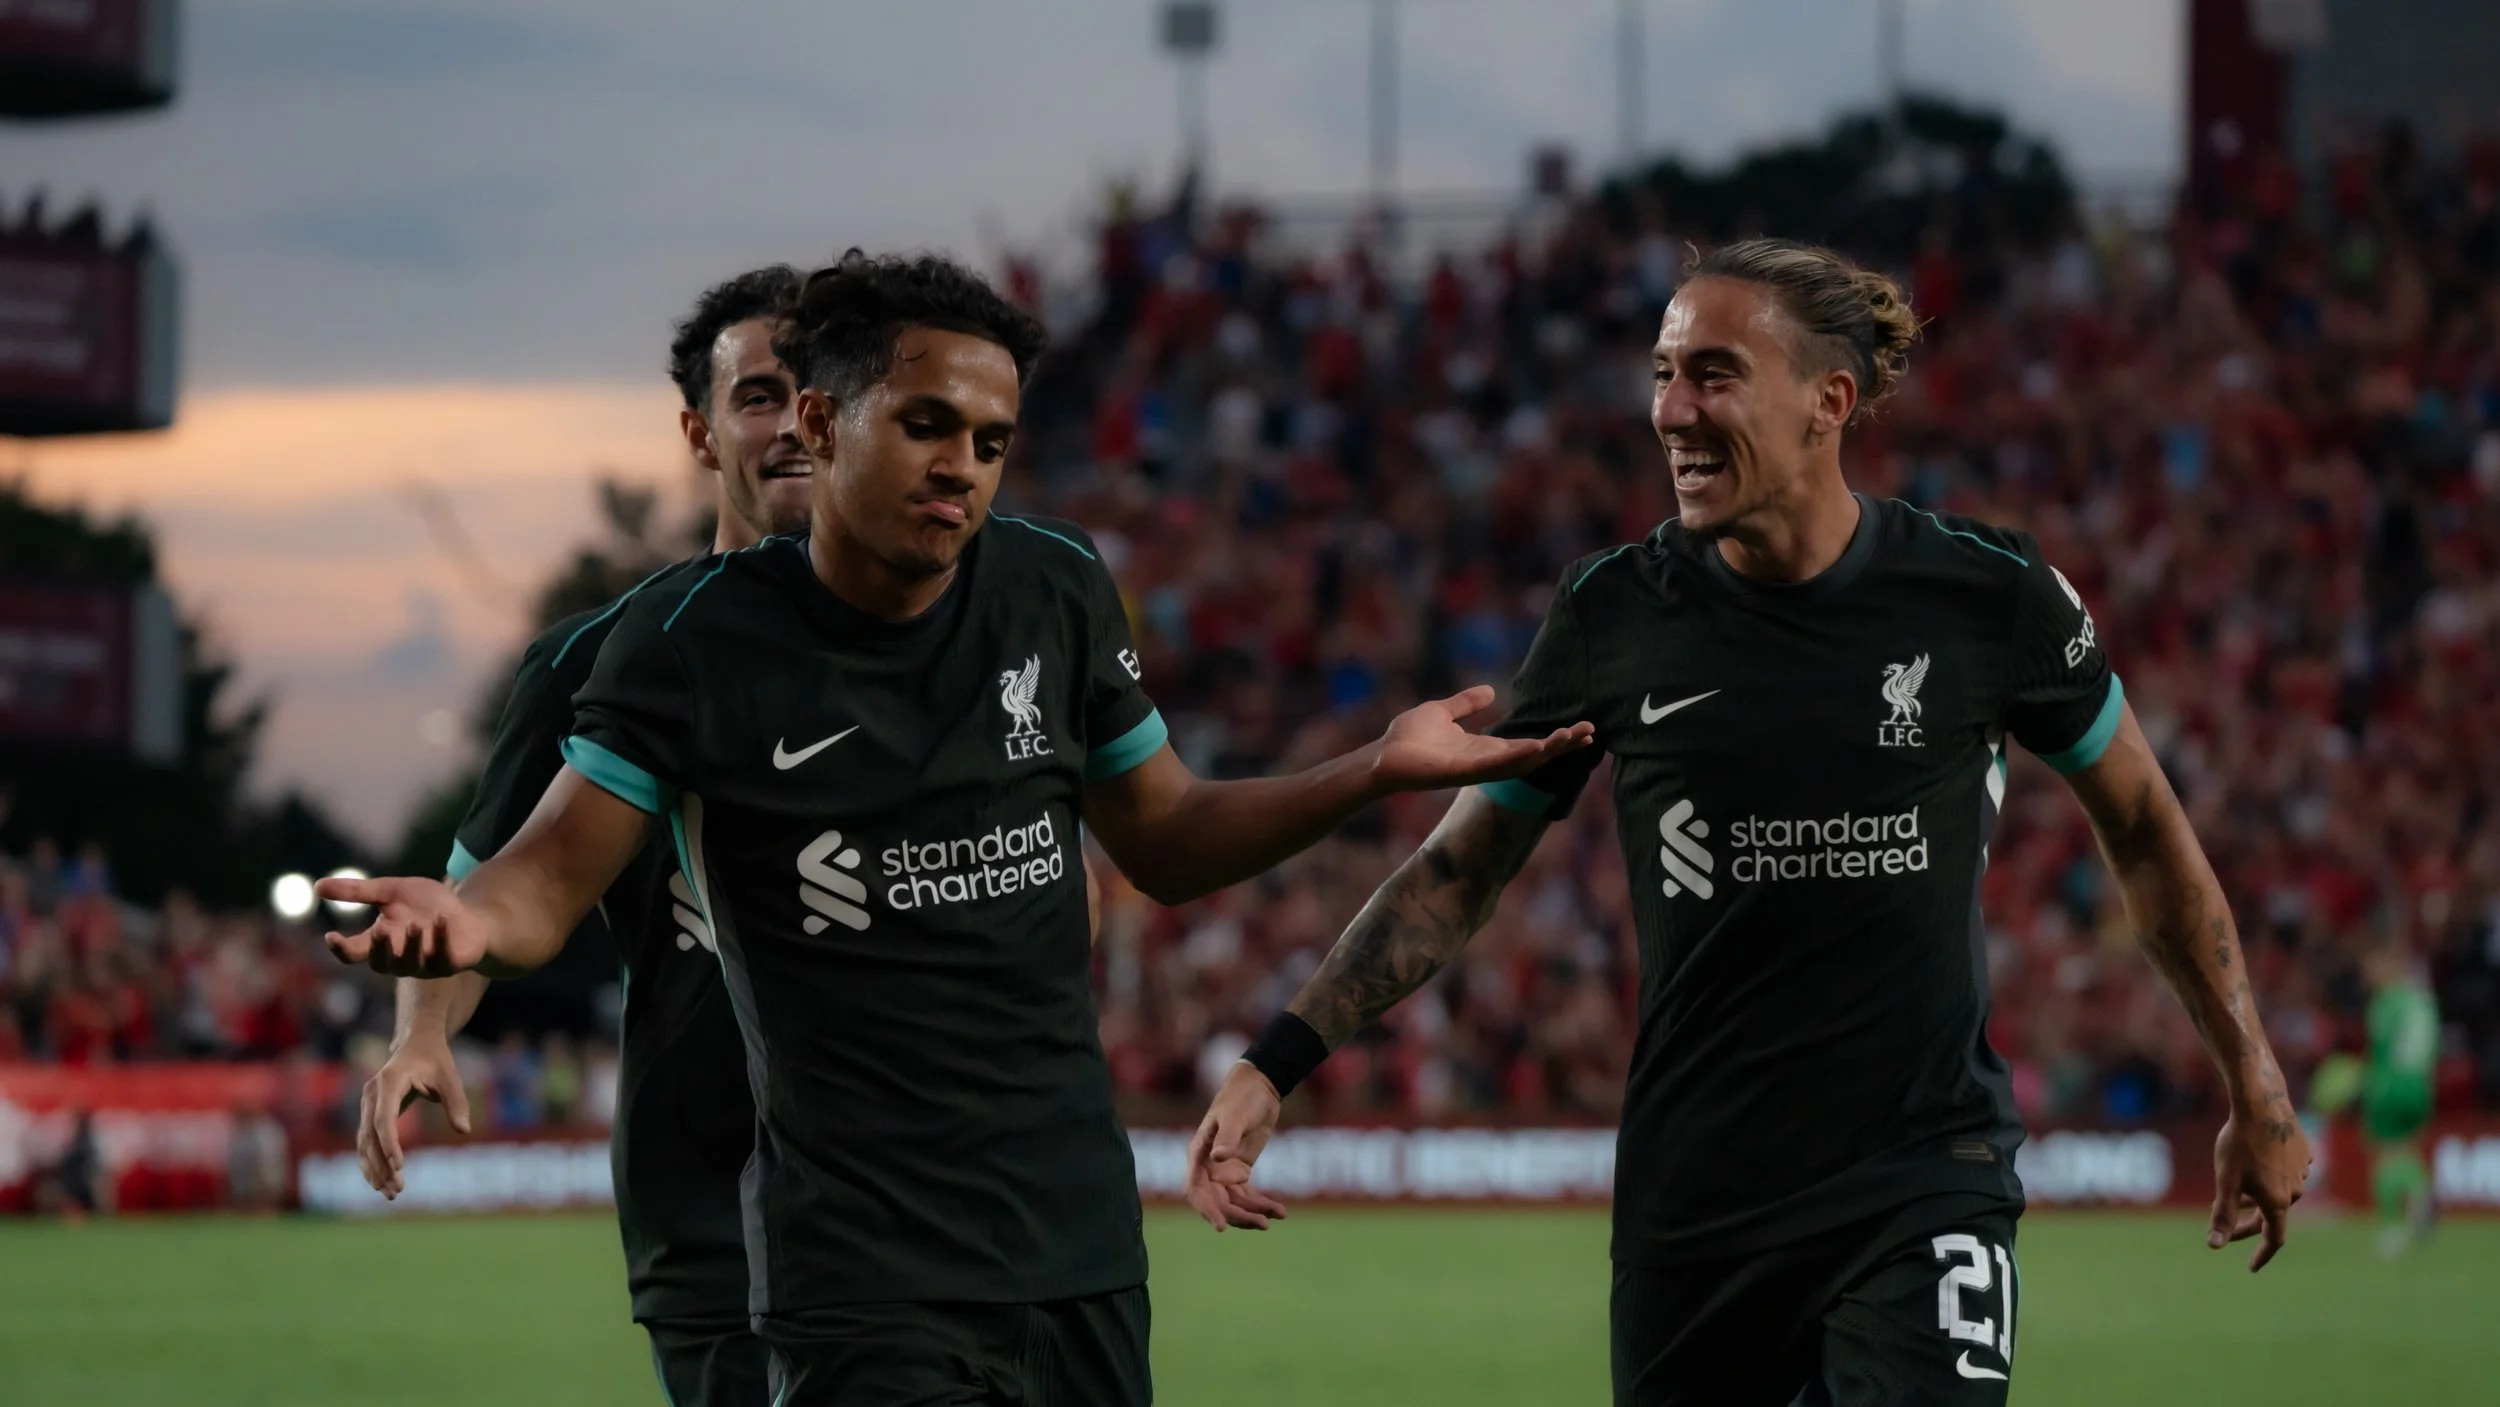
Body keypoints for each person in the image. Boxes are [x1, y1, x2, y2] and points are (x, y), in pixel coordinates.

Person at [319, 250, 1588, 1407]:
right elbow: (539, 879)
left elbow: (1170, 835)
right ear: (823, 421)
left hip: (1076, 1253)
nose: (961, 466)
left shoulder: (1053, 587)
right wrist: (461, 932)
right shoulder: (680, 646)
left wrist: (1371, 768)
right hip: (855, 1276)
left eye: (990, 440)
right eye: (926, 425)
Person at [1187, 238, 2313, 1406]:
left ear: (1829, 401)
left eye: (1712, 374)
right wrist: (1279, 1058)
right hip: (1696, 1208)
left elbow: (2144, 828)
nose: (1672, 409)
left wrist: (2256, 1086)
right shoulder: (1612, 614)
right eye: (1663, 372)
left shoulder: (1990, 598)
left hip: (1921, 1181)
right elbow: (1463, 864)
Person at [355, 264, 810, 1407]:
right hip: (718, 1223)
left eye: (818, 390)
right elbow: (478, 899)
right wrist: (423, 1033)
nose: (795, 420)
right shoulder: (588, 663)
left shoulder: (947, 641)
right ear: (699, 433)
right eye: (758, 394)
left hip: (933, 1217)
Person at [2359, 945, 2439, 1256]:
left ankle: (2393, 1229)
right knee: (2407, 1148)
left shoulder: (2385, 1004)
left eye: (2373, 967)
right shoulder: (2423, 1002)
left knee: (2382, 1153)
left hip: (2390, 1085)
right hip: (2421, 1086)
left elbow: (2380, 1049)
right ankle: (2420, 1194)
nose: (2369, 975)